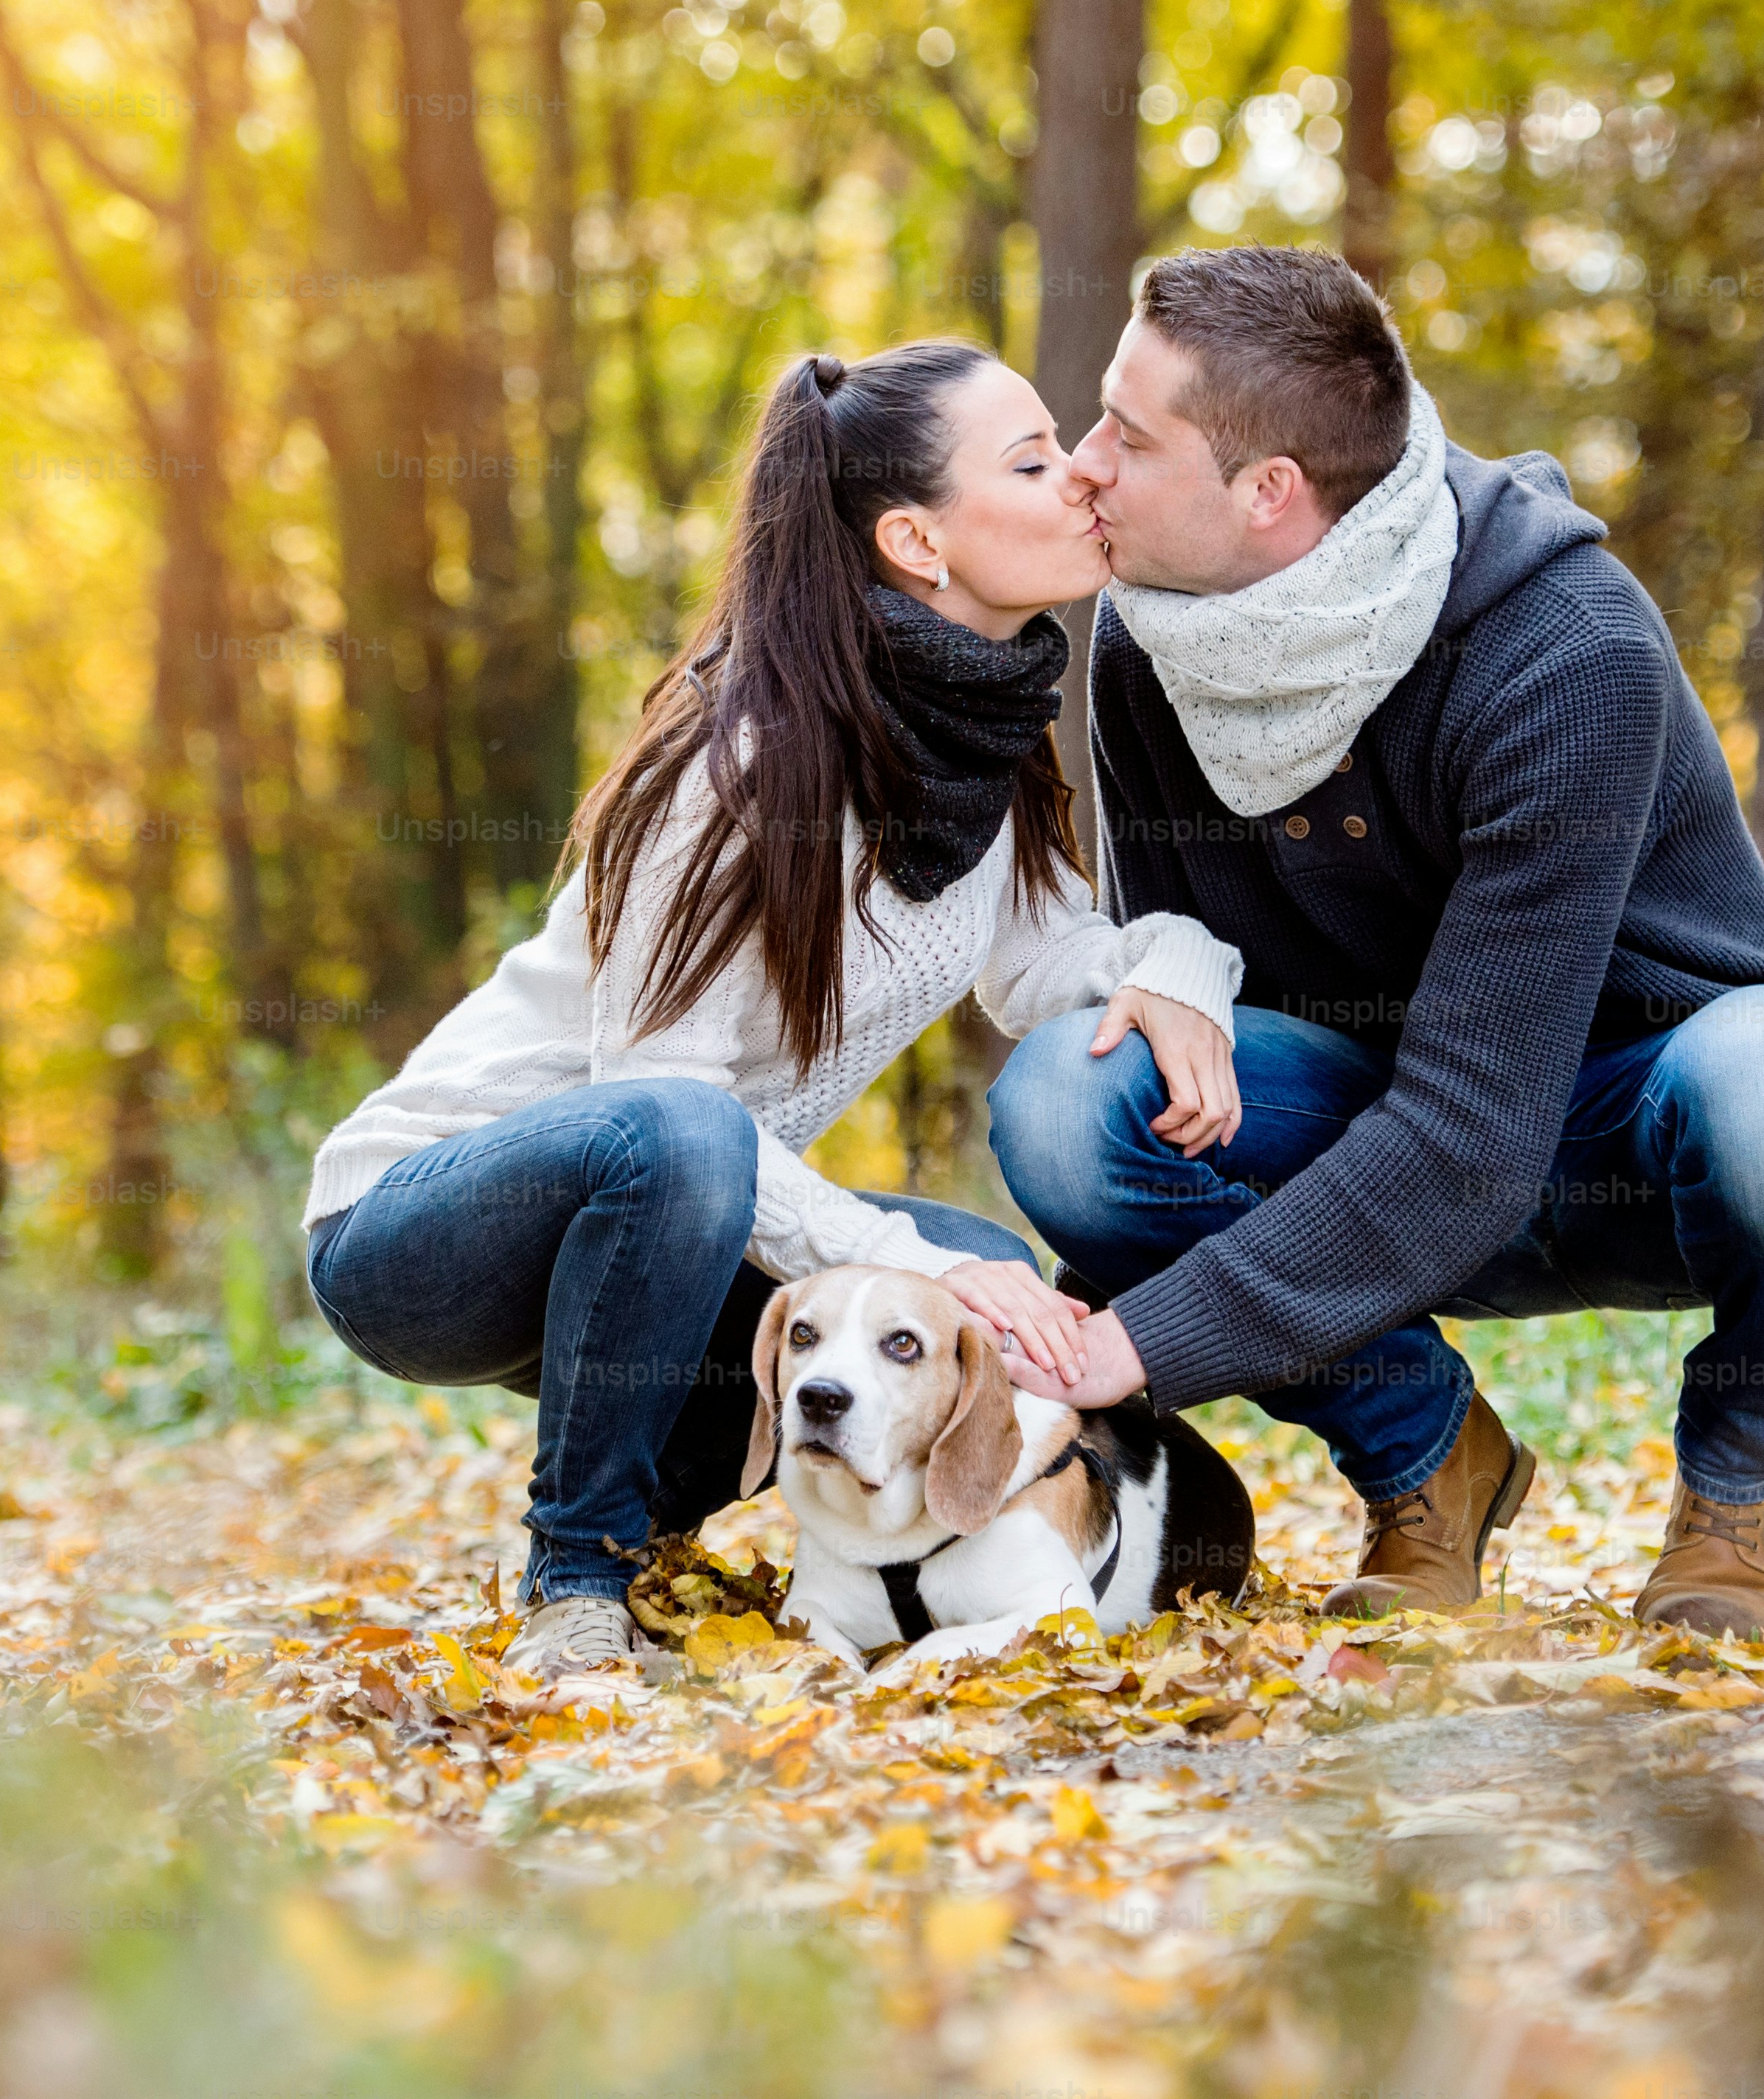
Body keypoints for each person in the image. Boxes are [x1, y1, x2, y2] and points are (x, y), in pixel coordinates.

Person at [983, 245, 1764, 1634]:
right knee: (1068, 1093)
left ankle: (1736, 1497)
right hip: (1359, 1132)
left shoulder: (1562, 647)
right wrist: (1084, 1320)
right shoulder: (1147, 641)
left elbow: (1476, 1128)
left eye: (1131, 432)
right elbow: (1179, 979)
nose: (1087, 462)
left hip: (1631, 1130)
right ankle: (1430, 1466)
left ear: (1269, 492)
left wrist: (1139, 1344)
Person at [301, 340, 1244, 1681]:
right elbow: (662, 1102)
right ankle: (576, 1579)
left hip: (665, 1221)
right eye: (1034, 459)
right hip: (423, 1230)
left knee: (981, 1266)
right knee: (734, 1161)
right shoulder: (737, 761)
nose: (1086, 472)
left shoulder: (977, 736)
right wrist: (901, 1262)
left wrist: (1182, 967)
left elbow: (1048, 966)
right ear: (918, 539)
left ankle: (756, 1538)